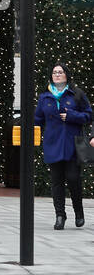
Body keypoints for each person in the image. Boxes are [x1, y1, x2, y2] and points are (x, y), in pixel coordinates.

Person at [34, 62, 92, 229]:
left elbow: (89, 116)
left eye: (60, 72)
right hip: (53, 145)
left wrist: (72, 116)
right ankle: (60, 215)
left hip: (72, 145)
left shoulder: (77, 94)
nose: (57, 74)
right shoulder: (44, 97)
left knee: (74, 179)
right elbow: (38, 119)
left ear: (66, 75)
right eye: (54, 72)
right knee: (56, 182)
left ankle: (79, 212)